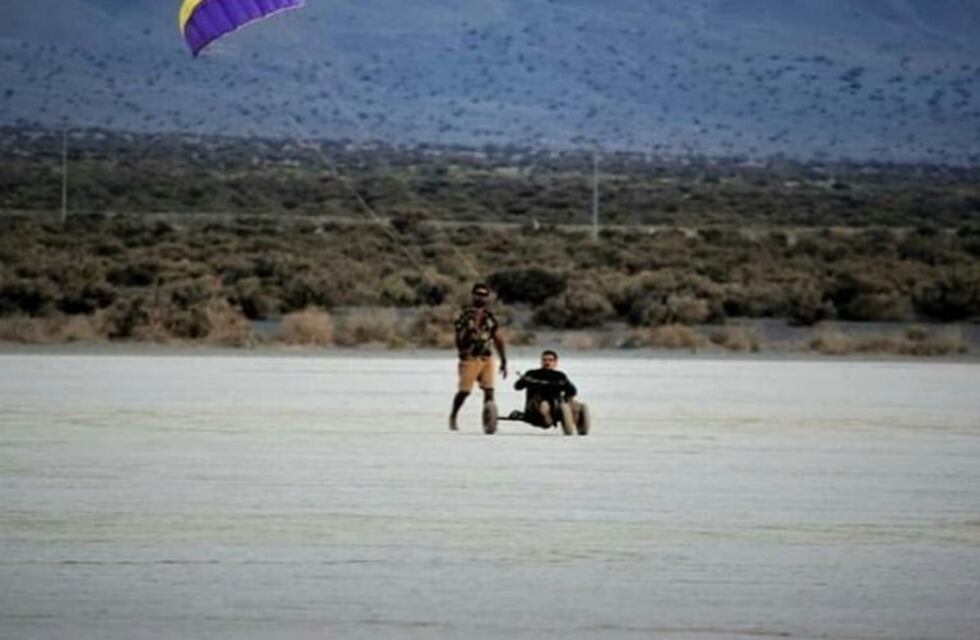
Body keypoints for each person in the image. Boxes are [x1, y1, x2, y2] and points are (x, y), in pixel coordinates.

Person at [449, 282, 508, 431]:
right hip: (470, 357)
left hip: (486, 357)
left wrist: (504, 360)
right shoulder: (465, 314)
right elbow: (458, 338)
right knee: (464, 391)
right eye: (478, 294)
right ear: (473, 295)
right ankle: (453, 416)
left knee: (489, 390)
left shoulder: (490, 316)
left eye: (484, 295)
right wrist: (466, 336)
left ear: (487, 297)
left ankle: (489, 421)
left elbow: (497, 338)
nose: (480, 297)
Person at [513, 350, 580, 429]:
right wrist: (524, 380)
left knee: (573, 403)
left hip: (555, 405)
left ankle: (575, 420)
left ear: (555, 363)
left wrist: (565, 384)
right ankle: (547, 419)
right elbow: (517, 387)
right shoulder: (532, 374)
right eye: (544, 360)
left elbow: (572, 392)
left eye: (550, 360)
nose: (547, 362)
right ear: (541, 362)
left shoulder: (560, 376)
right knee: (544, 404)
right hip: (535, 407)